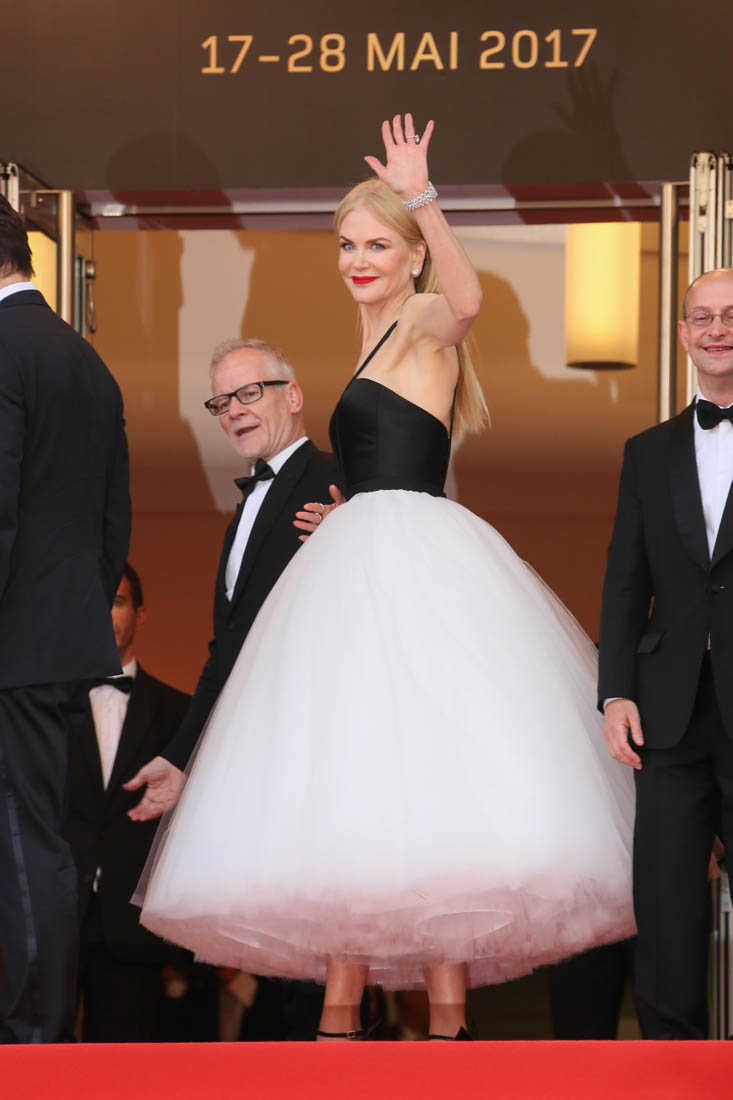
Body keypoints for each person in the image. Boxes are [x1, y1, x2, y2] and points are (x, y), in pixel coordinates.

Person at [136, 115, 636, 1041]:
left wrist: (424, 200)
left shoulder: (422, 318)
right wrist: (353, 510)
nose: (357, 261)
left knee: (415, 768)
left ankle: (424, 1026)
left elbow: (468, 300)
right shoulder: (372, 337)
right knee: (355, 771)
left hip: (413, 561)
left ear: (410, 258)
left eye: (375, 245)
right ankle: (363, 1021)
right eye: (347, 245)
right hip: (365, 553)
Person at [127, 338, 338, 1039]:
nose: (234, 411)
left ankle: (335, 1067)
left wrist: (356, 527)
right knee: (280, 938)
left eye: (250, 393)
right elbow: (226, 656)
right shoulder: (237, 521)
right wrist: (183, 757)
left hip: (326, 745)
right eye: (222, 402)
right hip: (261, 752)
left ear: (293, 396)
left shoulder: (343, 481)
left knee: (327, 930)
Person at [0, 194, 131, 1044]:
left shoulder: (4, 348)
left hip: (11, 642)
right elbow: (114, 520)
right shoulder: (85, 359)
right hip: (53, 638)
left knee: (20, 839)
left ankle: (30, 1035)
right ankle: (39, 1027)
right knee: (34, 832)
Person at [599, 267, 733, 1040]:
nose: (717, 329)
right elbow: (624, 579)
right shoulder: (645, 452)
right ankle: (669, 1079)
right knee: (665, 917)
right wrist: (614, 690)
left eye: (730, 316)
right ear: (681, 334)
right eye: (702, 317)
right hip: (667, 716)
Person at [64, 563, 194, 1041]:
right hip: (54, 916)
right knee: (33, 1063)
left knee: (123, 1066)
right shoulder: (42, 708)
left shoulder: (179, 711)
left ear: (140, 614)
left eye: (116, 601)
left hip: (133, 926)